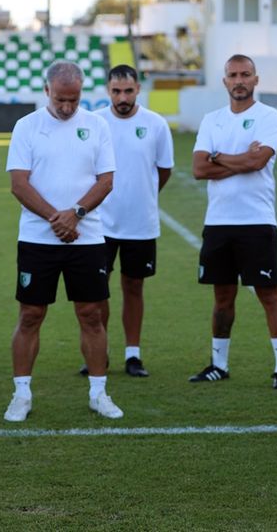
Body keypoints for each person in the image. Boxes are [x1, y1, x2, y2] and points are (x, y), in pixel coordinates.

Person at [3, 60, 122, 422]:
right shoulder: (26, 127)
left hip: (87, 239)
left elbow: (105, 180)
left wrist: (76, 215)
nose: (67, 107)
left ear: (82, 93)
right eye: (60, 100)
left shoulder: (97, 125)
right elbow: (19, 184)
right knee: (30, 315)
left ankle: (98, 393)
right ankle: (21, 394)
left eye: (73, 99)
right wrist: (57, 218)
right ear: (46, 92)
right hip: (38, 240)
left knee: (90, 315)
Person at [189, 54, 277, 390]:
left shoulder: (268, 116)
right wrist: (239, 160)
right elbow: (198, 169)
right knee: (222, 297)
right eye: (233, 75)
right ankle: (218, 364)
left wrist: (219, 156)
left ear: (255, 79)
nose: (239, 80)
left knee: (269, 295)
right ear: (224, 81)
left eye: (245, 74)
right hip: (218, 222)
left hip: (257, 221)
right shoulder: (212, 120)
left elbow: (259, 160)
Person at [90, 65, 175, 377]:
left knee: (134, 287)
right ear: (108, 90)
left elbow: (163, 170)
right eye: (116, 91)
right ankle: (99, 352)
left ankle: (133, 354)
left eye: (128, 91)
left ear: (138, 89)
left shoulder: (155, 124)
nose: (122, 97)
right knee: (98, 291)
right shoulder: (96, 122)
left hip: (140, 223)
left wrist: (144, 195)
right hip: (99, 224)